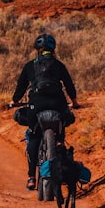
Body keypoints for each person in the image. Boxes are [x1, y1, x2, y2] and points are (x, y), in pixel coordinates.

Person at [11, 33, 80, 190]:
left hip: (37, 104)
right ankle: (60, 152)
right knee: (61, 131)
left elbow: (21, 86)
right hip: (58, 102)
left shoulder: (30, 66)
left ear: (38, 50)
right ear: (52, 50)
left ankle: (31, 178)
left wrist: (14, 101)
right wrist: (74, 102)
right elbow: (69, 85)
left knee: (34, 137)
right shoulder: (59, 65)